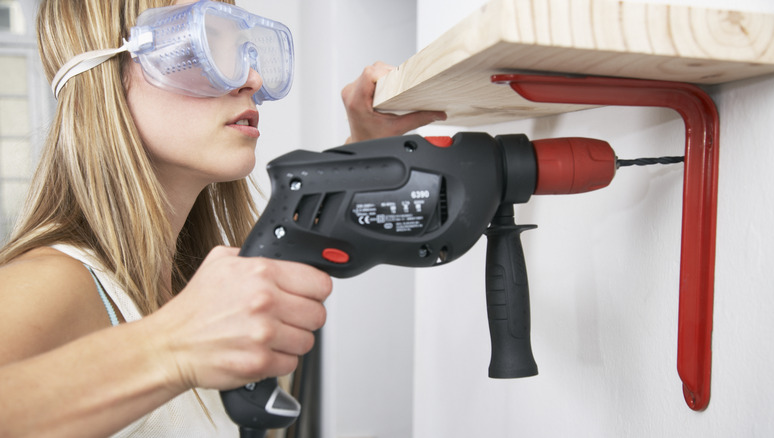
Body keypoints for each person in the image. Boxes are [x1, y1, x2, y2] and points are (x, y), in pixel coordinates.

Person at [0, 0, 446, 437]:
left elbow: (295, 254)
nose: (251, 79)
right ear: (104, 74)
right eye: (204, 47)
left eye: (244, 48)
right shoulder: (52, 282)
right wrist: (171, 348)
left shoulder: (186, 282)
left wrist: (363, 149)